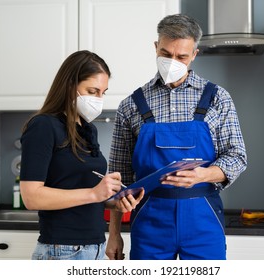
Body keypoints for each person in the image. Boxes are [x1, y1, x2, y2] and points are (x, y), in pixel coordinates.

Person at [105, 14, 247, 260]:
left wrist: (202, 174)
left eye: (181, 56)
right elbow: (118, 176)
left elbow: (237, 157)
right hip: (150, 222)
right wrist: (114, 233)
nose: (172, 61)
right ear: (155, 47)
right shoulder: (131, 105)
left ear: (194, 54)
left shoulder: (218, 98)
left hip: (203, 221)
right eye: (165, 54)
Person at [19, 50, 144, 260]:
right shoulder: (43, 126)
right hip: (61, 250)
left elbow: (79, 190)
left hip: (94, 248)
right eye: (92, 91)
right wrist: (95, 194)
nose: (99, 99)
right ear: (70, 86)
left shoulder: (87, 130)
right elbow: (31, 197)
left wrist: (112, 200)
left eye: (103, 92)